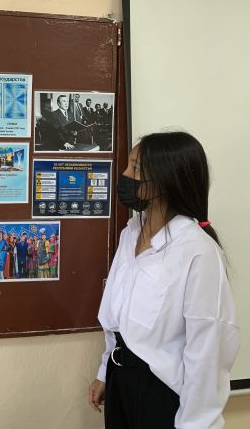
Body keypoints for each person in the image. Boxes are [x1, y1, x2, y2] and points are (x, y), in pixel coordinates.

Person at [88, 132, 239, 429]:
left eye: (136, 169)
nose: (125, 175)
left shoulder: (197, 251)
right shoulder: (131, 233)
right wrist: (105, 372)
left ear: (166, 180)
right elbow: (117, 319)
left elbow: (208, 351)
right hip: (121, 379)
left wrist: (195, 423)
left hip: (161, 391)